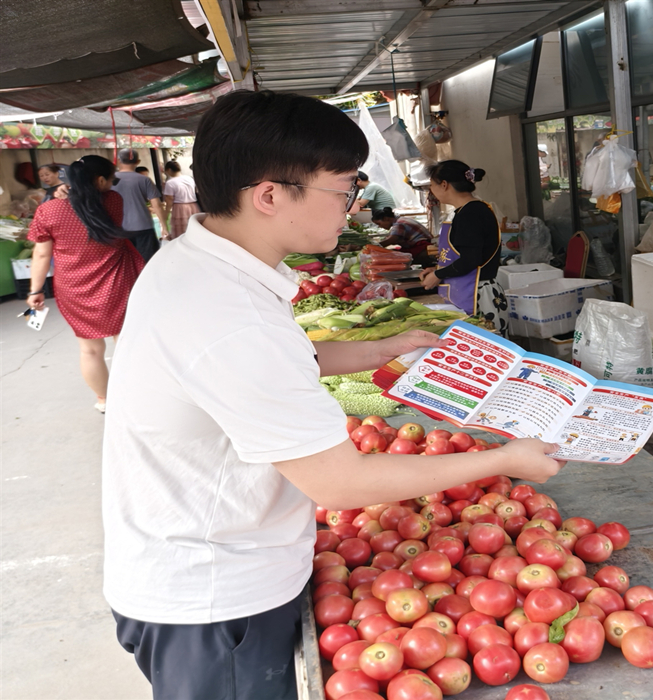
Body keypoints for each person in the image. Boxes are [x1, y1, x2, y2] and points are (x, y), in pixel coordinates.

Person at [101, 90, 562, 700]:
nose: (351, 204)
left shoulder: (196, 265)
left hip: (196, 562)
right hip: (213, 598)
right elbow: (340, 484)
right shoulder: (229, 315)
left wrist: (381, 347)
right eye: (342, 188)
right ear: (269, 195)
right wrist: (505, 458)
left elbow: (269, 363)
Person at [25, 155, 144, 413]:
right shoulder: (113, 201)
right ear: (101, 180)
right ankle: (137, 396)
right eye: (112, 179)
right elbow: (91, 205)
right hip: (116, 279)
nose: (114, 184)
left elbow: (42, 254)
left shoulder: (47, 210)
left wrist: (35, 290)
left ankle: (104, 401)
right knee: (125, 341)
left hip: (73, 286)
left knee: (89, 349)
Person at [417, 160, 508, 333]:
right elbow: (462, 254)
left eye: (431, 186)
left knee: (485, 351)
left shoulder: (471, 214)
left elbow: (470, 260)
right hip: (467, 290)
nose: (431, 191)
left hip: (478, 296)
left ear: (444, 185)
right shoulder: (465, 211)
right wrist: (438, 268)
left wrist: (438, 274)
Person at [112, 148, 168, 262]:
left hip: (118, 227)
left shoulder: (109, 180)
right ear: (138, 162)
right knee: (148, 261)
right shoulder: (144, 180)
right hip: (143, 226)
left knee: (125, 261)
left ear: (118, 161)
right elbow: (156, 204)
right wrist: (164, 226)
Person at [161, 160, 201, 240]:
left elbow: (169, 200)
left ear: (169, 170)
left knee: (181, 231)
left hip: (180, 207)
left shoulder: (170, 182)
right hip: (193, 205)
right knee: (194, 228)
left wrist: (166, 214)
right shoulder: (189, 179)